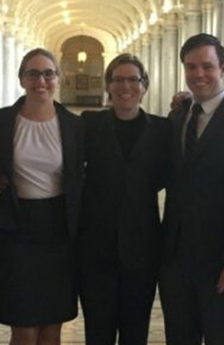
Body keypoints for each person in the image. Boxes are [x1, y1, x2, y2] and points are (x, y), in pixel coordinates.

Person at [159, 33, 224, 344]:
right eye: (191, 67)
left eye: (207, 66)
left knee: (221, 337)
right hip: (175, 259)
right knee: (178, 337)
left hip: (220, 260)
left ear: (223, 68)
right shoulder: (179, 116)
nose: (198, 74)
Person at [0, 48, 84, 345]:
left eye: (48, 73)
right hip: (15, 230)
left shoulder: (75, 126)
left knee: (52, 327)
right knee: (24, 327)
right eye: (32, 73)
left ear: (59, 78)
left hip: (59, 231)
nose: (40, 80)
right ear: (21, 79)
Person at [78, 53, 171, 344]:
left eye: (133, 79)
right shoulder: (88, 124)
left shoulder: (162, 129)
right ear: (108, 85)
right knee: (98, 331)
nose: (125, 86)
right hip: (95, 248)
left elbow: (167, 175)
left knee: (135, 331)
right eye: (118, 79)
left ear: (144, 86)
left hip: (143, 248)